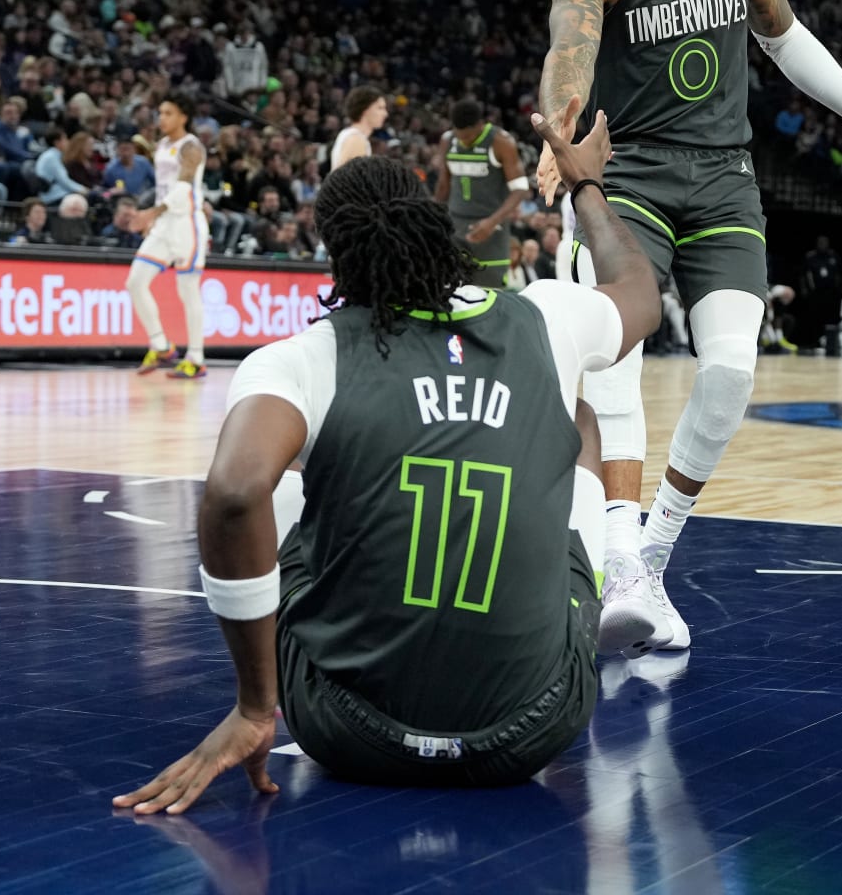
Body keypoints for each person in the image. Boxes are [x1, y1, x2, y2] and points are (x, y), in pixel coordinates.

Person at [114, 112, 661, 810]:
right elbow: (641, 295)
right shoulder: (546, 317)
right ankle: (619, 569)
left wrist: (255, 707)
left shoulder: (302, 358)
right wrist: (586, 186)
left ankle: (280, 691)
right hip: (535, 729)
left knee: (287, 478)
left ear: (335, 258)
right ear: (431, 223)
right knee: (573, 415)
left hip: (347, 733)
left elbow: (232, 494)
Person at [532, 0, 842, 652]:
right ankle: (618, 560)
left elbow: (783, 36)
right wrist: (562, 135)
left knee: (733, 371)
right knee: (615, 364)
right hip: (631, 180)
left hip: (724, 183)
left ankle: (650, 561)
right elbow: (569, 54)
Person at [127, 97, 210, 380]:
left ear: (183, 117)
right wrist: (154, 216)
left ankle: (196, 358)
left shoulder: (191, 146)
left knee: (188, 290)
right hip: (164, 222)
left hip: (187, 222)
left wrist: (151, 212)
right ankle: (161, 345)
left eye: (168, 113)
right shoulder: (162, 146)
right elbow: (164, 188)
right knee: (136, 281)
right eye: (159, 113)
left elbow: (184, 187)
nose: (161, 118)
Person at [434, 97, 528, 288]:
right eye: (460, 136)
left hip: (490, 227)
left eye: (468, 137)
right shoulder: (448, 140)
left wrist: (492, 222)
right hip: (455, 225)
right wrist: (433, 215)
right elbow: (444, 185)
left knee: (490, 292)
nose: (464, 141)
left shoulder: (501, 141)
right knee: (451, 290)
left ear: (480, 125)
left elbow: (520, 189)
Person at [329, 85, 387, 171]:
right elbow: (345, 181)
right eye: (380, 108)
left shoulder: (354, 136)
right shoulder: (356, 139)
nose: (385, 114)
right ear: (365, 109)